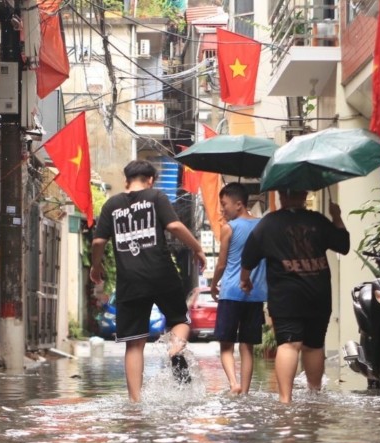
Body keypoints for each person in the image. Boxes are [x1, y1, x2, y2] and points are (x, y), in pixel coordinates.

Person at [90, 160, 206, 402]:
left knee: (133, 344)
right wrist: (197, 249)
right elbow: (174, 225)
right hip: (161, 273)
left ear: (126, 181)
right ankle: (175, 346)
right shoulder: (156, 197)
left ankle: (135, 401)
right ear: (151, 179)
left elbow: (98, 242)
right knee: (179, 320)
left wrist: (96, 266)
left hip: (130, 280)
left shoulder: (111, 204)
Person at [240, 189, 349, 403]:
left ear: (281, 194)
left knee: (289, 344)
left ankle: (285, 399)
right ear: (304, 194)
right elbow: (343, 246)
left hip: (285, 295)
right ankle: (315, 394)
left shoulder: (268, 223)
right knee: (314, 345)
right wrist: (336, 216)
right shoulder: (318, 220)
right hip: (318, 293)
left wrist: (245, 278)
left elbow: (248, 256)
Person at [210, 183, 267, 395]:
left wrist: (214, 284)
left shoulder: (229, 228)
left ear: (239, 204)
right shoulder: (263, 226)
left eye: (224, 204)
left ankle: (234, 383)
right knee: (247, 346)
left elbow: (222, 263)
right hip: (255, 295)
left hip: (231, 293)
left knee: (226, 345)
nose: (222, 209)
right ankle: (245, 390)